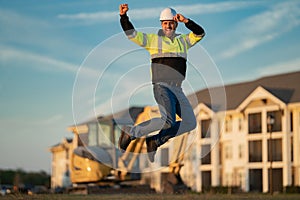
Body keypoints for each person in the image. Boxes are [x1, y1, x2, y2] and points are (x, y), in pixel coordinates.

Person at [118, 4, 205, 162]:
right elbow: (131, 34)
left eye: (171, 22)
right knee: (168, 120)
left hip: (178, 89)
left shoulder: (183, 41)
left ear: (176, 23)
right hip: (162, 86)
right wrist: (124, 17)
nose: (168, 25)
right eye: (165, 23)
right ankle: (131, 132)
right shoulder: (153, 40)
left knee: (190, 123)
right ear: (161, 24)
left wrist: (187, 21)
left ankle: (154, 141)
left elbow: (200, 33)